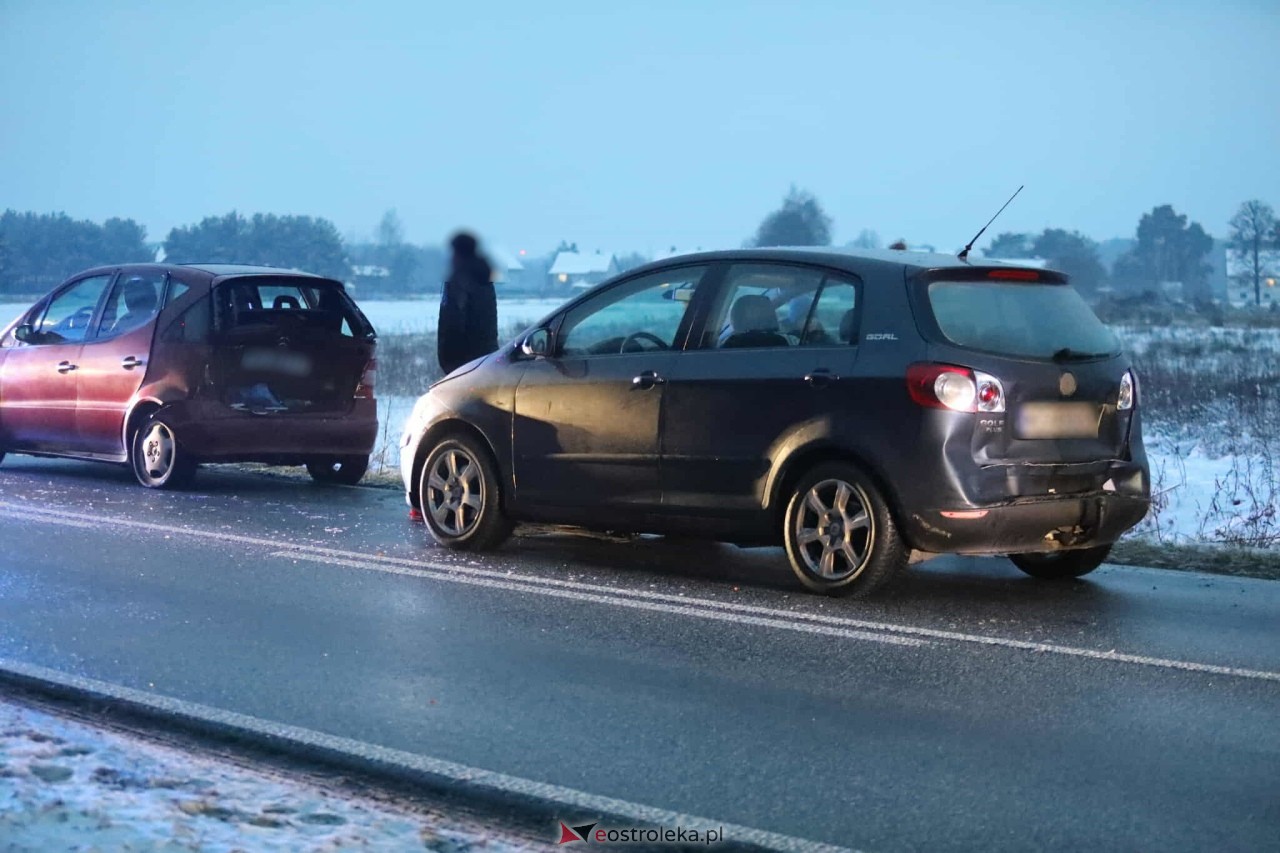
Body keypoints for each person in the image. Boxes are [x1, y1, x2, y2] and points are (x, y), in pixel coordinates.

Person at [437, 231, 498, 375]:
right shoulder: (483, 279)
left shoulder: (461, 282)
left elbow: (454, 323)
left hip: (462, 364)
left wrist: (449, 360)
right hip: (484, 360)